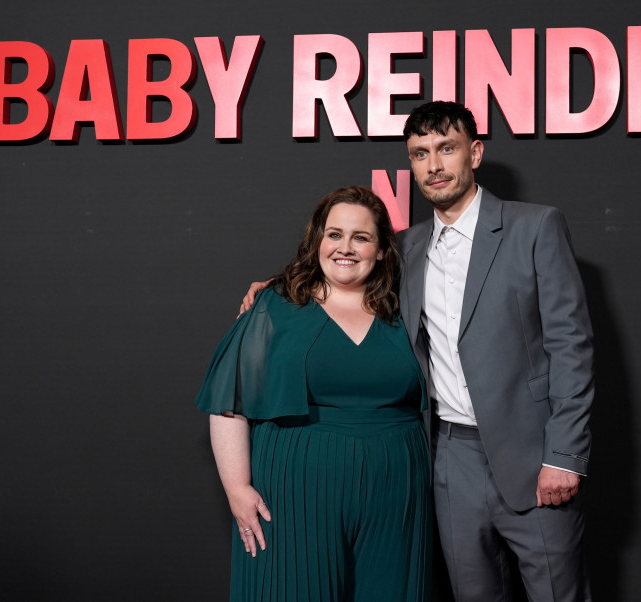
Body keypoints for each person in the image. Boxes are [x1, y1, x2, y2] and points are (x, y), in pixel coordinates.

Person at [243, 101, 594, 602]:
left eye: (446, 149)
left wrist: (564, 456)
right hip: (448, 458)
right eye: (420, 154)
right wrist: (277, 287)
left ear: (475, 153)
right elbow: (344, 271)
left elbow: (571, 346)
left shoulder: (535, 227)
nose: (434, 165)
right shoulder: (406, 248)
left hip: (533, 455)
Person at [197, 186, 432, 602]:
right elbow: (229, 402)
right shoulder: (274, 306)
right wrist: (237, 488)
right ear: (317, 240)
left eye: (361, 237)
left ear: (381, 250)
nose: (345, 247)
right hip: (294, 487)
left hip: (397, 488)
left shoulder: (406, 309)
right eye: (334, 234)